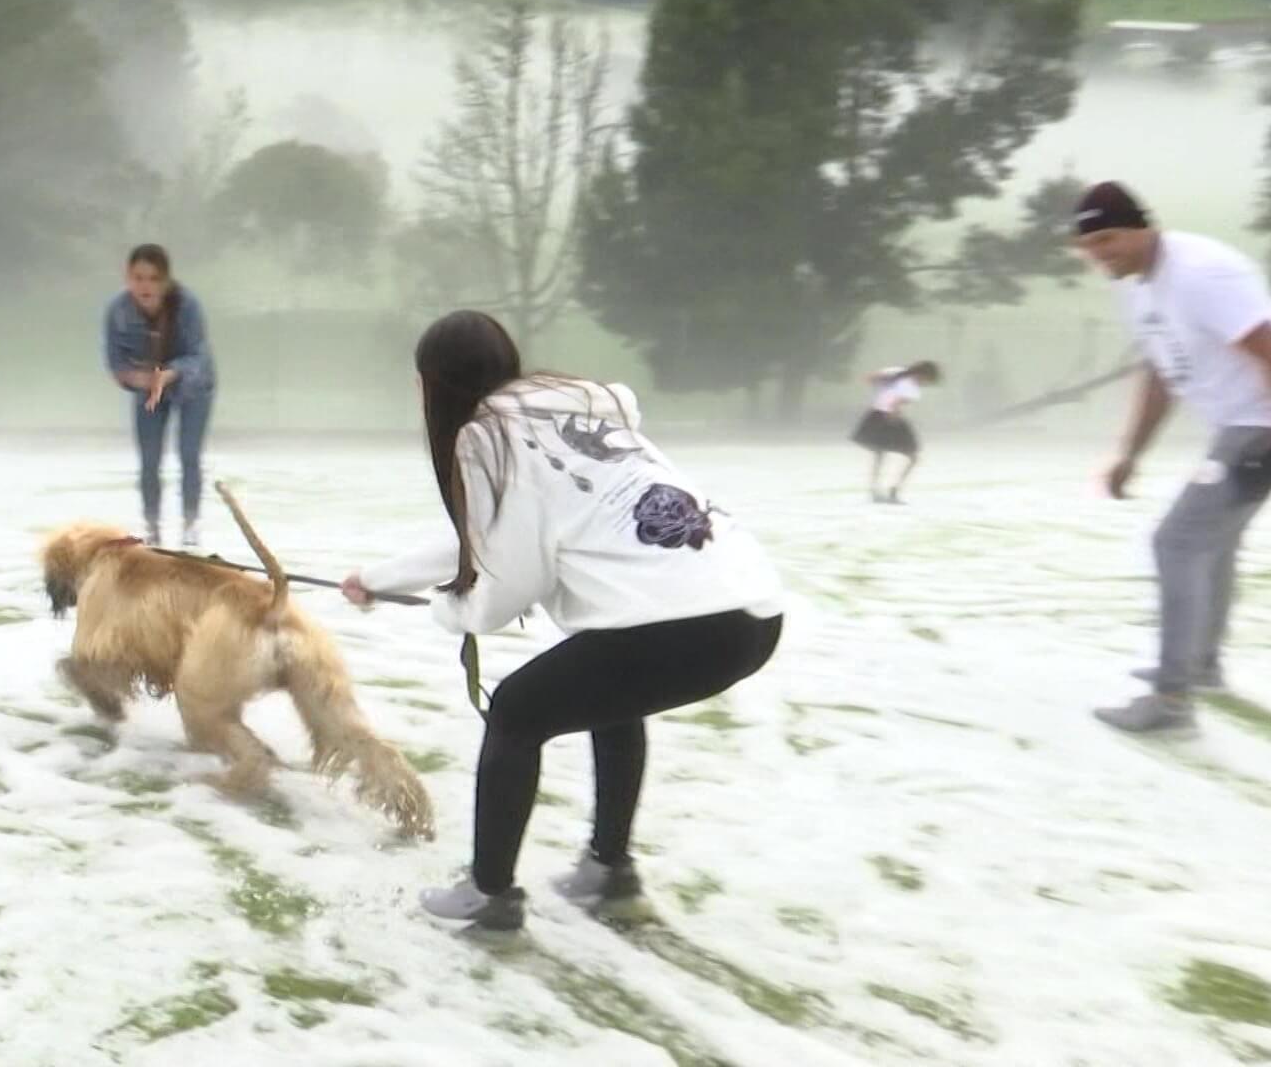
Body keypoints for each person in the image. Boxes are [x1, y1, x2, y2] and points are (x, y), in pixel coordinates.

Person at [341, 311, 785, 931]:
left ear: (432, 385)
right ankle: (609, 871)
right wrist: (379, 580)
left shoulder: (486, 438)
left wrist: (448, 610)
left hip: (686, 621)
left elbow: (505, 590)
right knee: (610, 696)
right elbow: (486, 538)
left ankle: (489, 894)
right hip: (753, 611)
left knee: (517, 712)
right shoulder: (564, 418)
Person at [1075, 181, 1271, 734]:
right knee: (1212, 543)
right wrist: (1129, 455)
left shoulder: (1202, 272)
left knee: (1178, 541)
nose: (1101, 254)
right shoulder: (1136, 285)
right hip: (1242, 425)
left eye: (1110, 239)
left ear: (1144, 227)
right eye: (1090, 245)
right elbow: (1161, 374)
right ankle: (1200, 667)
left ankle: (1173, 700)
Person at [102, 244, 216, 547]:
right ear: (127, 278)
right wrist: (138, 378)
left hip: (192, 386)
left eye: (153, 279)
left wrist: (169, 374)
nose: (145, 286)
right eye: (138, 278)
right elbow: (115, 363)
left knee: (189, 455)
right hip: (147, 386)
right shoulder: (118, 311)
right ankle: (152, 528)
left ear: (165, 281)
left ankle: (191, 527)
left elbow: (199, 357)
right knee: (149, 460)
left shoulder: (187, 305)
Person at [850, 361, 941, 504]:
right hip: (890, 417)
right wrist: (893, 415)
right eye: (927, 380)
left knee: (880, 454)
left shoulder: (895, 372)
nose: (926, 383)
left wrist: (882, 386)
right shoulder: (912, 388)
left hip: (875, 415)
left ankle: (875, 491)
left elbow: (870, 379)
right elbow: (895, 404)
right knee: (912, 457)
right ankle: (893, 491)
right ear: (923, 374)